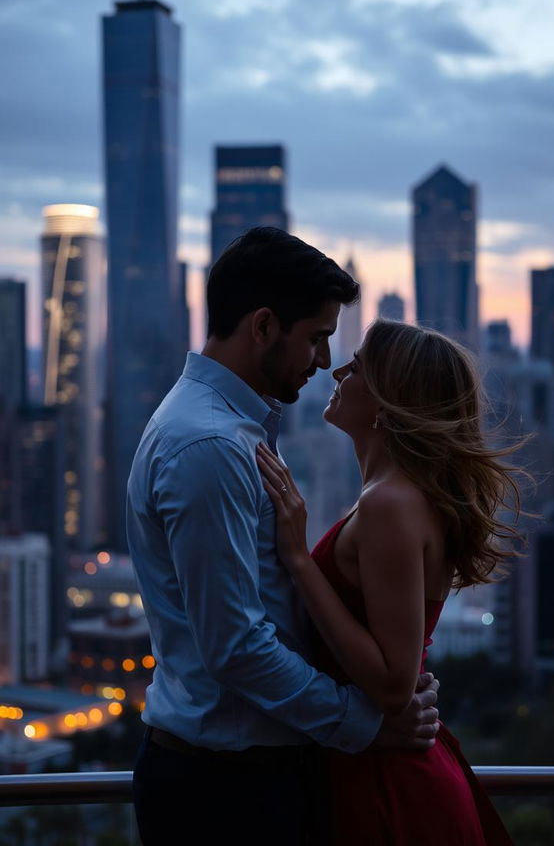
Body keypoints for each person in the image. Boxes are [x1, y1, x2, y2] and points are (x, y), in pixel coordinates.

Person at [127, 228, 440, 846]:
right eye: (318, 338)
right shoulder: (209, 446)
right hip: (226, 793)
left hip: (248, 776)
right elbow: (238, 645)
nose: (324, 361)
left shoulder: (233, 433)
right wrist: (365, 722)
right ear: (264, 326)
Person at [257, 317, 521, 845]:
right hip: (378, 765)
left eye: (357, 367)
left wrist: (300, 560)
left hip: (391, 785)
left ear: (386, 402)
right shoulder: (395, 496)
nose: (336, 372)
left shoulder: (389, 503)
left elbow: (395, 684)